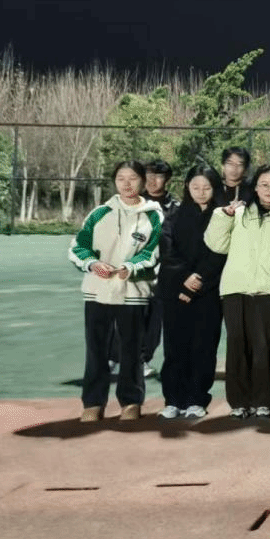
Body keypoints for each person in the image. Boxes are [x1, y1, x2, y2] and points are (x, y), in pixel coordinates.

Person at [69, 160, 164, 422]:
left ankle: (131, 402)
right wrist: (93, 264)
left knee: (132, 351)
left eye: (132, 178)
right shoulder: (100, 213)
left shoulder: (153, 216)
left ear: (142, 181)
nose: (126, 183)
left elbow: (153, 251)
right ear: (114, 182)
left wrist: (131, 267)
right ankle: (93, 403)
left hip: (133, 293)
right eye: (121, 178)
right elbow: (78, 247)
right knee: (96, 350)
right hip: (97, 292)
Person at [204, 164, 270, 419]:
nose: (269, 190)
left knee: (266, 348)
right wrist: (224, 215)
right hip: (236, 290)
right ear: (255, 187)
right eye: (264, 184)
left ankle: (263, 401)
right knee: (237, 347)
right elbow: (216, 244)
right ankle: (239, 402)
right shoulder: (238, 213)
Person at [156, 165, 226, 419]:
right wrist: (185, 278)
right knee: (175, 347)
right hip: (176, 290)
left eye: (207, 187)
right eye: (195, 187)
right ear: (187, 187)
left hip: (208, 292)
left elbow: (220, 253)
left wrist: (199, 282)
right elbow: (167, 250)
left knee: (203, 347)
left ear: (215, 188)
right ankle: (173, 399)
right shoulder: (174, 216)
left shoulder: (222, 216)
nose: (201, 192)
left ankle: (197, 399)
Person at [137, 159, 178, 378]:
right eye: (149, 176)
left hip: (164, 273)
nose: (153, 181)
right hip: (135, 271)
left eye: (158, 176)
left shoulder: (176, 208)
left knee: (155, 318)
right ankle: (117, 358)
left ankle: (142, 359)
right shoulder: (133, 203)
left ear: (167, 179)